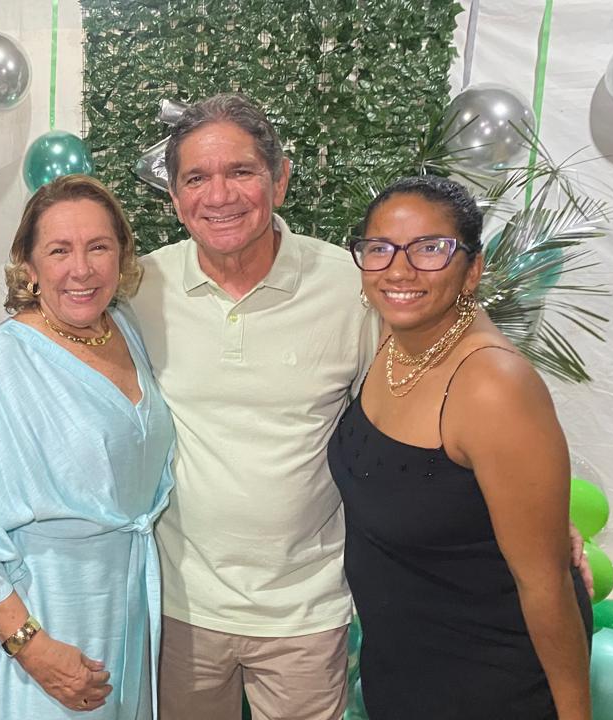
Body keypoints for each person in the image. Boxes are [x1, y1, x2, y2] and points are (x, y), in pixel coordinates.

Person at [127, 94, 378, 719]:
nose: (219, 196)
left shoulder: (350, 288)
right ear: (175, 197)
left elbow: (418, 408)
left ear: (280, 179)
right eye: (196, 178)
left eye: (240, 171)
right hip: (180, 607)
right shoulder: (138, 289)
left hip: (304, 611)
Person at [328, 176, 592, 719]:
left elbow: (545, 585)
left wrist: (575, 712)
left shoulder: (494, 386)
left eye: (430, 249)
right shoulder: (394, 340)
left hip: (487, 678)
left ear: (473, 269)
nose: (399, 270)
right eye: (380, 248)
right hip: (403, 664)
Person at [0, 175, 176, 719]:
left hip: (124, 607)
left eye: (98, 247)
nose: (81, 269)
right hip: (40, 616)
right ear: (28, 265)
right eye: (59, 250)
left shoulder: (124, 329)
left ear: (122, 254)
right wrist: (31, 647)